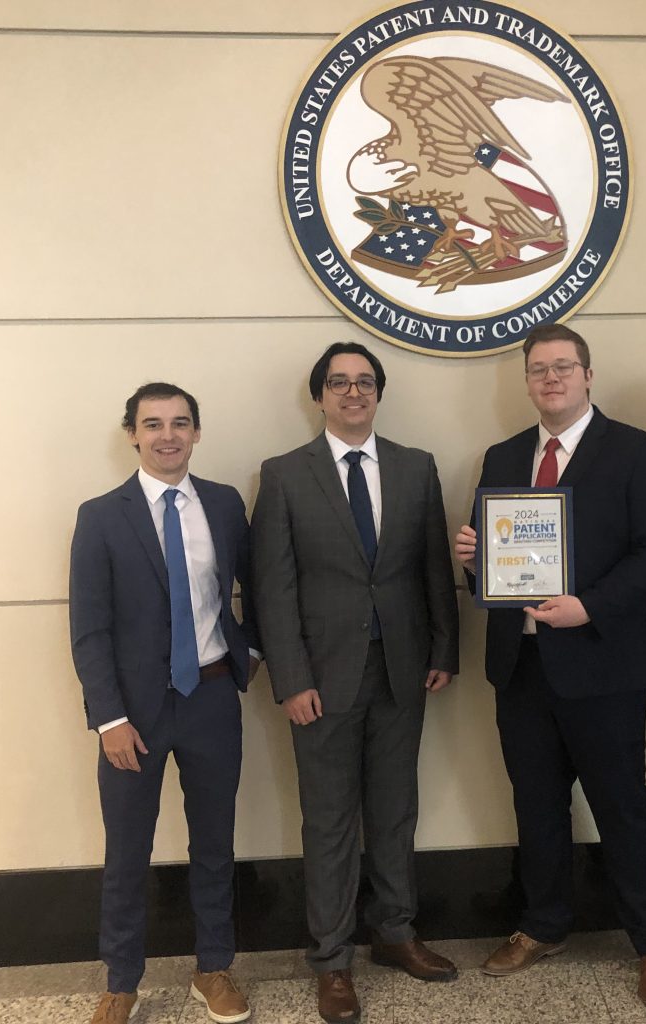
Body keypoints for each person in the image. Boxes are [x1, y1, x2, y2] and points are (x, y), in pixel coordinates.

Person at [454, 324, 646, 1008]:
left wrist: (590, 606)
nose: (550, 378)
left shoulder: (637, 450)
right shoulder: (502, 456)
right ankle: (543, 925)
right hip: (520, 665)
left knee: (623, 806)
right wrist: (473, 561)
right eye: (538, 369)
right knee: (537, 805)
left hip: (604, 663)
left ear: (587, 375)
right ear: (527, 382)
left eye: (562, 366)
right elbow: (491, 570)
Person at [251, 342, 460, 1024]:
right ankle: (332, 958)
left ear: (378, 393)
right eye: (338, 382)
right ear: (319, 396)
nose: (353, 392)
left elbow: (434, 567)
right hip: (321, 679)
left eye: (364, 381)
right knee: (330, 819)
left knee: (396, 810)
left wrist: (444, 648)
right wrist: (290, 678)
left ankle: (395, 932)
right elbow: (272, 587)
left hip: (403, 669)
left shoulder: (415, 466)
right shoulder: (285, 474)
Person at [70, 383, 259, 1024]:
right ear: (133, 434)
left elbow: (260, 585)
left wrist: (252, 653)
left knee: (214, 843)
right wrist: (109, 719)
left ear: (197, 432)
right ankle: (121, 982)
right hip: (134, 714)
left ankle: (214, 968)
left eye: (180, 422)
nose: (168, 435)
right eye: (153, 424)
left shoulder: (225, 504)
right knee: (127, 850)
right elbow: (89, 628)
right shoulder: (101, 516)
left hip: (211, 697)